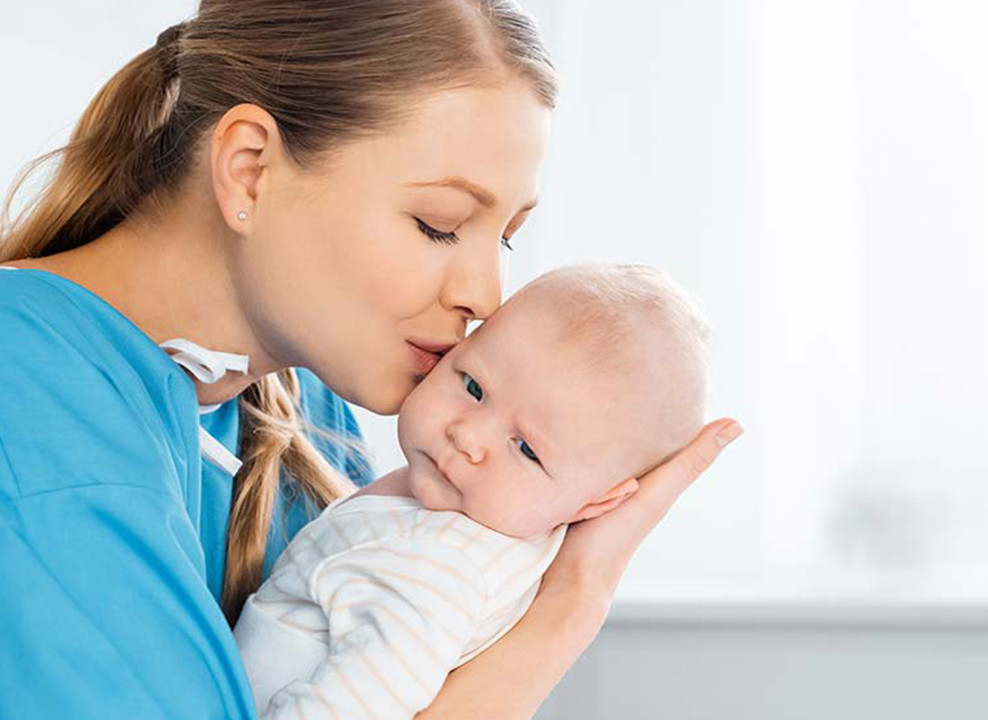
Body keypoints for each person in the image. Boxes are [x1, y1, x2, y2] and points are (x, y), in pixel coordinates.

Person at [0, 3, 743, 719]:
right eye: (439, 225)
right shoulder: (30, 405)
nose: (487, 294)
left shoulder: (302, 417)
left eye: (506, 237)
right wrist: (569, 605)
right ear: (250, 169)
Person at [235, 263, 711, 719]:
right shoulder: (476, 521)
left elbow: (358, 705)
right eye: (473, 387)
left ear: (598, 502)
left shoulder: (440, 565)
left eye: (526, 449)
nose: (468, 436)